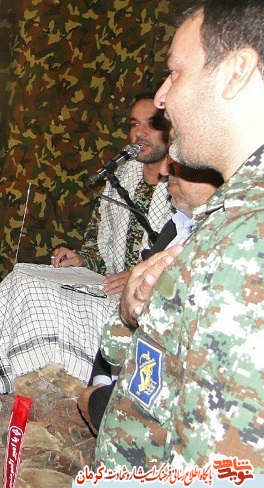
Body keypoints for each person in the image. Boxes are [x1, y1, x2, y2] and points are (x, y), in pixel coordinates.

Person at [94, 0, 264, 470]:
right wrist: (135, 315)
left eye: (176, 73)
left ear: (236, 71)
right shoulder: (226, 218)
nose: (163, 97)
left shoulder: (246, 243)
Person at [0, 95, 172, 392]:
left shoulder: (184, 189)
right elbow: (97, 246)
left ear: (171, 129)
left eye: (152, 124)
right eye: (134, 124)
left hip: (147, 303)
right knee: (27, 284)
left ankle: (78, 391)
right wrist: (81, 259)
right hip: (107, 290)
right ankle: (27, 389)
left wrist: (139, 278)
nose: (140, 133)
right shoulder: (119, 179)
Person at [77, 160, 223, 434]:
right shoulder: (176, 228)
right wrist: (98, 385)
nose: (166, 171)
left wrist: (98, 404)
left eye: (180, 163)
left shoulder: (219, 249)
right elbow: (124, 321)